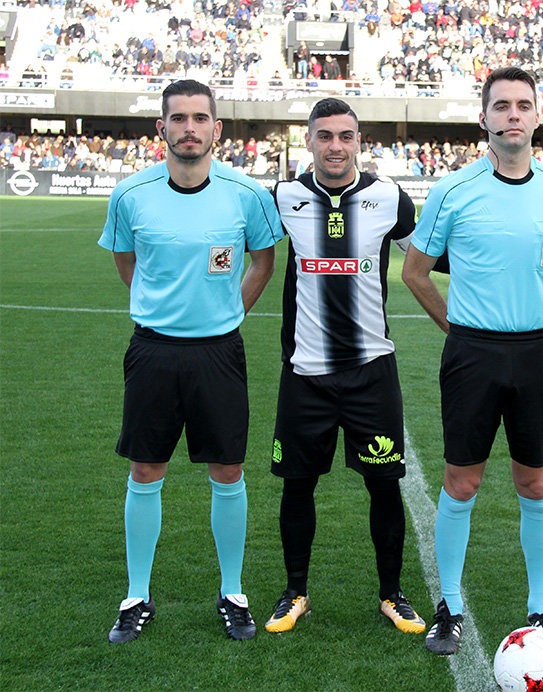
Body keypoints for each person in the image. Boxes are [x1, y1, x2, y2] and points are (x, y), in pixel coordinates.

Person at [402, 66, 543, 656]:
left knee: (535, 480)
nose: (513, 114)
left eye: (523, 105)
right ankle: (451, 605)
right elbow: (415, 272)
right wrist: (455, 327)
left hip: (540, 354)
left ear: (537, 116)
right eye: (502, 106)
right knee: (462, 481)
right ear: (484, 118)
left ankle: (541, 606)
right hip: (473, 354)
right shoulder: (452, 192)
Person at [99, 79, 283, 643]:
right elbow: (128, 264)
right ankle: (136, 596)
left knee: (227, 471)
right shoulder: (131, 194)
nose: (189, 129)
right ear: (162, 128)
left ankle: (233, 592)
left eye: (199, 118)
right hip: (153, 350)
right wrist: (163, 308)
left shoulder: (245, 193)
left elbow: (263, 262)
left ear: (216, 129)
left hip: (219, 352)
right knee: (145, 470)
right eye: (177, 119)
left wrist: (228, 314)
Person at [263, 97, 426, 637]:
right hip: (305, 373)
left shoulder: (388, 197)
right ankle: (295, 592)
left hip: (371, 372)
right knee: (297, 485)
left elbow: (427, 256)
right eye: (326, 135)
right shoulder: (283, 197)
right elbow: (246, 250)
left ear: (360, 141)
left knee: (384, 487)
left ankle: (392, 595)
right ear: (308, 140)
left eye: (346, 136)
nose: (336, 145)